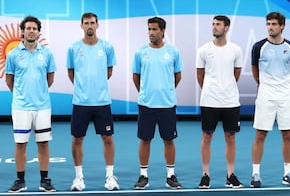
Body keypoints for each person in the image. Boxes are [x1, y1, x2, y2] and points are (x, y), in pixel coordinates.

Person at [66, 12, 119, 191]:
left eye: (92, 23)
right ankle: (78, 178)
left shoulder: (107, 47)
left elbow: (108, 71)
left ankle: (110, 177)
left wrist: (97, 87)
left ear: (97, 25)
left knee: (108, 138)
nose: (89, 26)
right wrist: (83, 89)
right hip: (80, 102)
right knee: (78, 139)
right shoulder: (73, 48)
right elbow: (71, 72)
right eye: (86, 23)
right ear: (81, 26)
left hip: (102, 102)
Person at [5, 15, 56, 193]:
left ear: (39, 32)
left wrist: (38, 93)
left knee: (43, 143)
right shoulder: (13, 54)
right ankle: (20, 181)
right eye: (28, 28)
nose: (31, 31)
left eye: (35, 28)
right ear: (23, 31)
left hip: (42, 106)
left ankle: (45, 181)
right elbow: (9, 79)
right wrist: (21, 95)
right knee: (20, 144)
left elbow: (50, 79)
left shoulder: (47, 54)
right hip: (20, 107)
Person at [132, 16, 183, 190]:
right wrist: (146, 92)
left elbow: (177, 76)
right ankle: (143, 176)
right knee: (145, 139)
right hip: (146, 105)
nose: (151, 33)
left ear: (162, 31)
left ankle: (170, 176)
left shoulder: (173, 52)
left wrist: (166, 91)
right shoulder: (140, 52)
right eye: (149, 29)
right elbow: (136, 76)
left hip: (167, 105)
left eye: (154, 29)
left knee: (169, 140)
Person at [250, 12, 290, 188]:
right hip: (265, 95)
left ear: (282, 26)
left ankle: (288, 173)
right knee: (260, 134)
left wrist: (281, 84)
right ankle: (255, 175)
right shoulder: (258, 47)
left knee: (287, 134)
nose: (270, 27)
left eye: (274, 24)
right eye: (268, 24)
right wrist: (265, 84)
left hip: (286, 95)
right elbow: (255, 69)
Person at [196, 15, 244, 189]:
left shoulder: (236, 50)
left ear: (227, 27)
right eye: (213, 24)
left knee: (230, 137)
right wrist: (211, 89)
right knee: (206, 136)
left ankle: (230, 175)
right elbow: (200, 75)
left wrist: (227, 87)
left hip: (230, 101)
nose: (214, 27)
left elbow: (236, 73)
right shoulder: (203, 50)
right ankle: (205, 175)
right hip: (209, 100)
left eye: (218, 24)